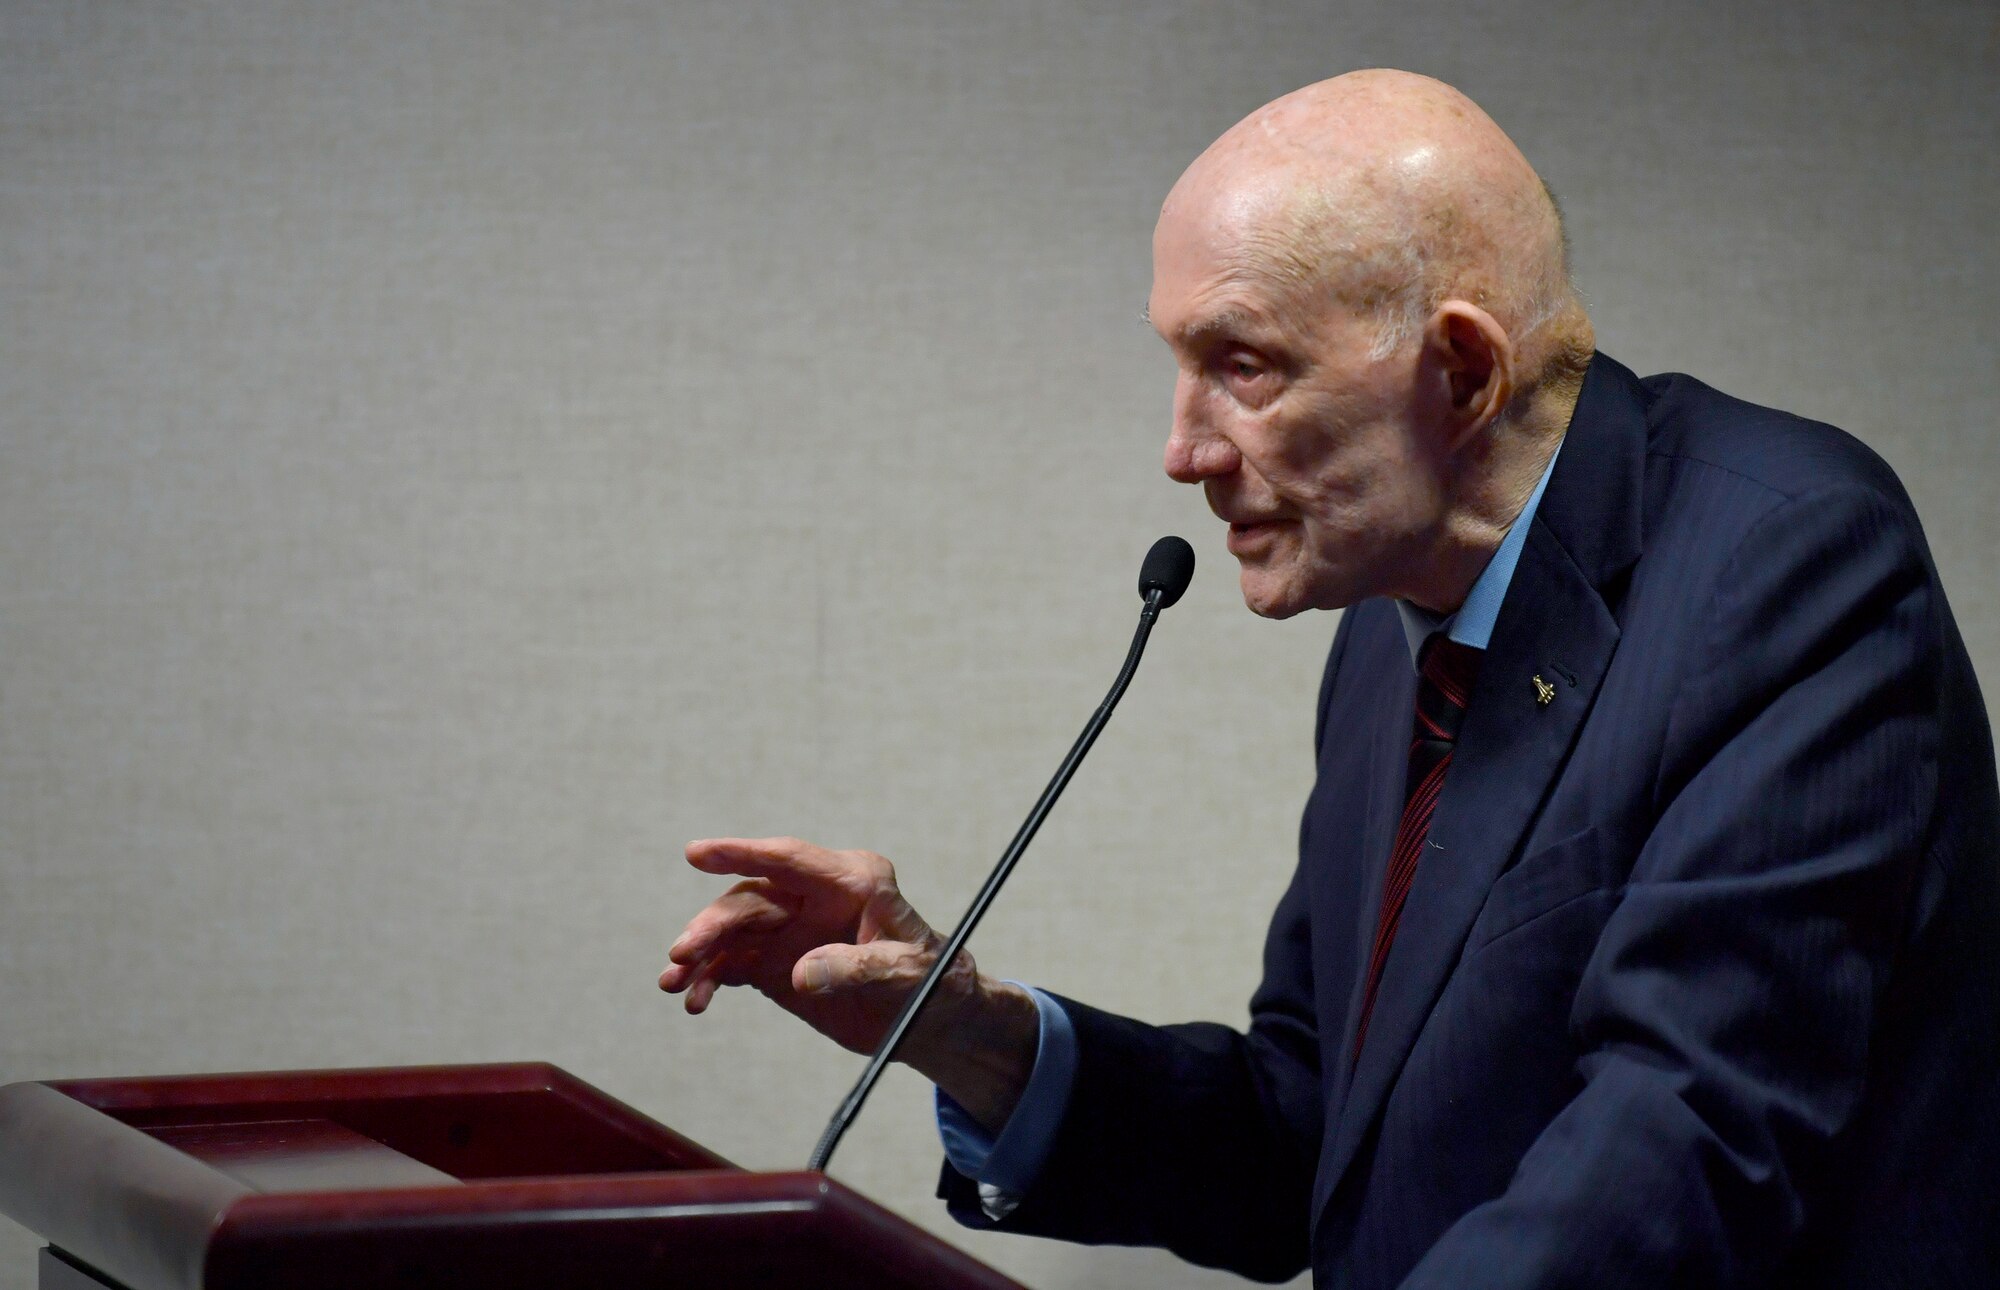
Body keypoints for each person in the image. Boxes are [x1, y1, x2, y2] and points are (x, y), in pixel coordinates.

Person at [660, 69, 2000, 1287]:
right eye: (1178, 364)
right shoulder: (1391, 625)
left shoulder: (1786, 565)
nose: (1183, 451)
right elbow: (1314, 1134)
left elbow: (1683, 1139)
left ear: (1463, 370)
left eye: (1240, 365)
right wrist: (966, 1028)